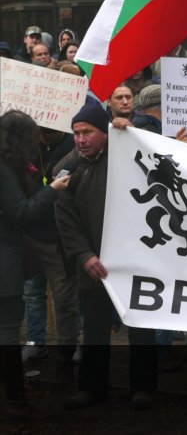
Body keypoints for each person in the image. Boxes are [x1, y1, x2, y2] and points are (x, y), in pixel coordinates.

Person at [56, 102, 158, 409]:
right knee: (95, 328)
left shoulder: (125, 156)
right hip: (94, 265)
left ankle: (143, 387)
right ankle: (91, 387)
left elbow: (154, 155)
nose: (80, 139)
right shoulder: (71, 170)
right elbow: (65, 218)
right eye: (76, 133)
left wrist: (131, 130)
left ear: (105, 133)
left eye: (87, 132)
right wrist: (85, 256)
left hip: (133, 261)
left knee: (140, 326)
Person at [2, 111, 72, 421]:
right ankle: (16, 403)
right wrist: (52, 190)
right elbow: (22, 212)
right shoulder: (4, 169)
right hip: (6, 264)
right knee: (6, 334)